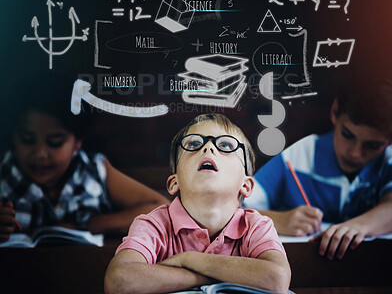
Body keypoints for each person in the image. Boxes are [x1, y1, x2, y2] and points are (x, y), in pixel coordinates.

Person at [104, 113, 291, 294]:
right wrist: (216, 275)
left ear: (246, 185)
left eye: (225, 145)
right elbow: (119, 281)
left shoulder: (256, 226)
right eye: (194, 144)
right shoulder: (154, 224)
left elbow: (277, 278)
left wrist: (189, 259)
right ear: (174, 182)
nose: (208, 148)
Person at [0, 72, 169, 242]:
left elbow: (161, 207)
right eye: (27, 140)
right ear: (13, 137)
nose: (40, 154)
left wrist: (90, 225)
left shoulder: (94, 170)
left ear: (77, 142)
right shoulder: (4, 174)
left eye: (55, 143)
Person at [244, 73, 392, 260]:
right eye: (347, 134)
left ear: (388, 141)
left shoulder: (388, 159)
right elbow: (232, 209)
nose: (355, 153)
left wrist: (358, 227)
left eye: (372, 145)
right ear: (335, 111)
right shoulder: (293, 154)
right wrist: (279, 220)